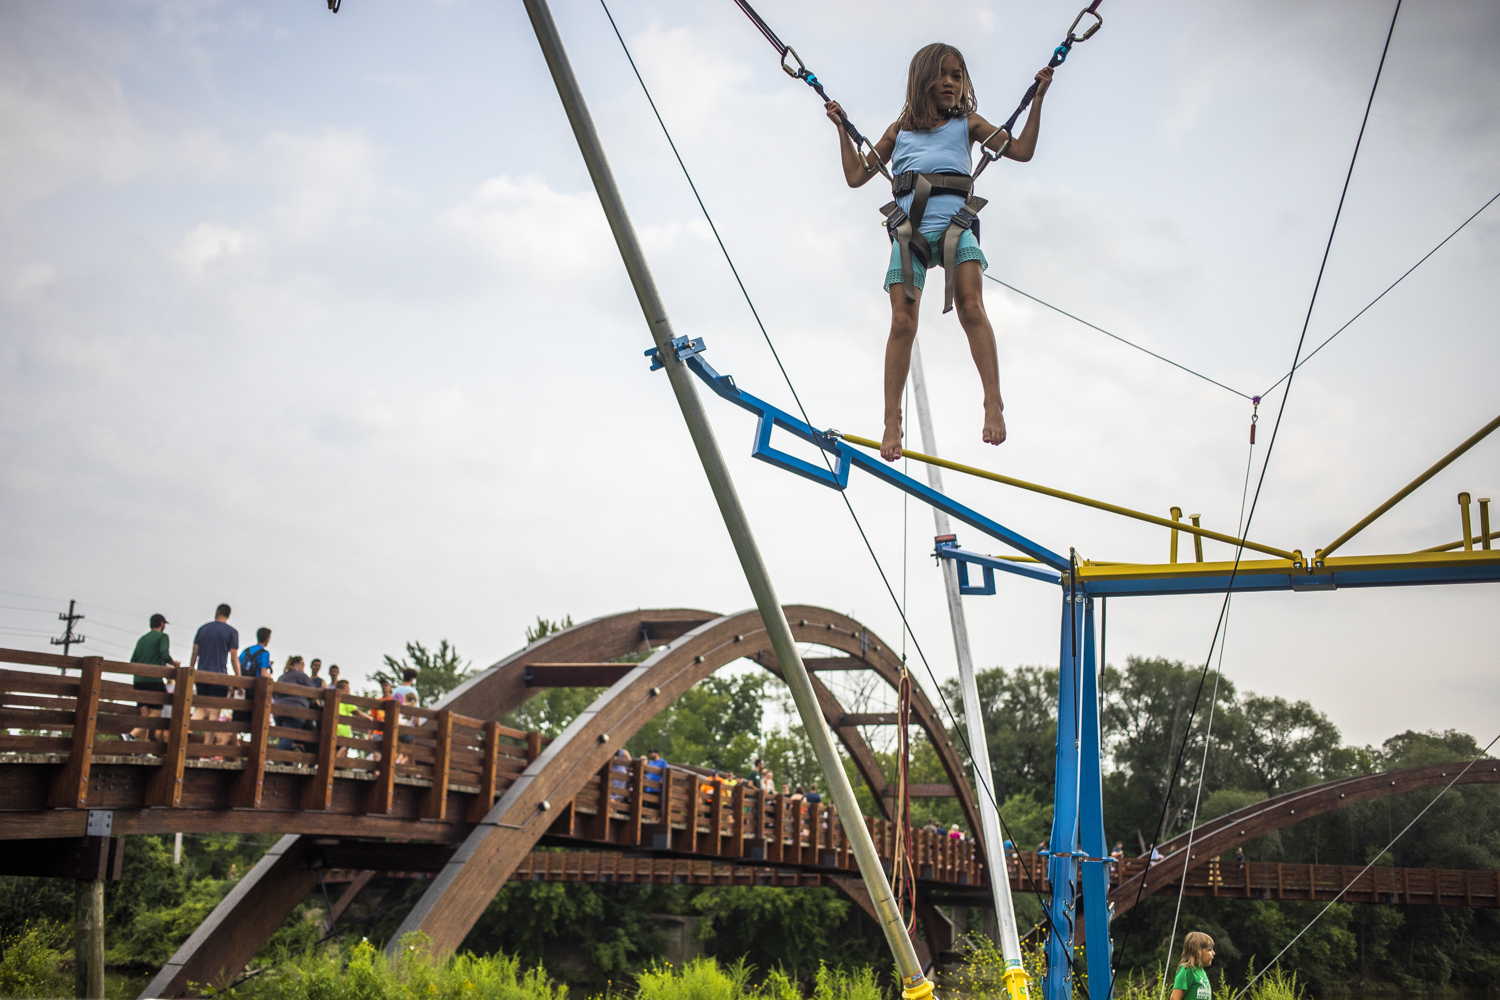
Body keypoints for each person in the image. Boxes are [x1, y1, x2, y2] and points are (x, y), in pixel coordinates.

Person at [826, 44, 1054, 462]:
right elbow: (856, 175)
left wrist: (1037, 99)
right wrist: (842, 130)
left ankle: (992, 402)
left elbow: (1021, 150)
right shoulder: (900, 132)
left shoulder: (968, 123)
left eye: (958, 75)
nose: (951, 82)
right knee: (900, 321)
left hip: (956, 227)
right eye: (943, 75)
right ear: (923, 80)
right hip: (910, 231)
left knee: (971, 307)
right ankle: (892, 419)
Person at [189, 604, 239, 748]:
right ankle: (206, 749)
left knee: (202, 708)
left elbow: (195, 653)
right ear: (228, 615)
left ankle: (187, 730)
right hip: (219, 676)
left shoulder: (203, 629)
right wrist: (238, 678)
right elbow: (234, 658)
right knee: (214, 713)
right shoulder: (231, 632)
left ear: (217, 612)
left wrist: (191, 671)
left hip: (201, 674)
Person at [129, 613, 179, 741]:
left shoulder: (142, 639)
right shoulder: (163, 637)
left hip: (139, 680)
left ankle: (142, 750)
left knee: (144, 715)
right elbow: (164, 654)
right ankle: (131, 735)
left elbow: (133, 660)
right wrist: (174, 664)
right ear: (162, 624)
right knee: (156, 712)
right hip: (153, 680)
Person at [272, 655, 317, 753]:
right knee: (289, 736)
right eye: (302, 664)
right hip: (294, 711)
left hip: (278, 711)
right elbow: (313, 692)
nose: (303, 667)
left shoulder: (282, 676)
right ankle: (276, 757)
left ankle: (286, 763)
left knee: (284, 737)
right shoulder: (301, 675)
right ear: (297, 664)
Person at [234, 628, 273, 731]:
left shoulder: (245, 651)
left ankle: (222, 743)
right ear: (268, 638)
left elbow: (238, 668)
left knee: (236, 723)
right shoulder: (264, 653)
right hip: (254, 692)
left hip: (241, 690)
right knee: (256, 725)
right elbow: (263, 674)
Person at [1168, 931, 1215, 1000]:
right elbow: (1174, 998)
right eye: (1209, 950)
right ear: (1197, 951)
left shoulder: (1201, 972)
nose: (1213, 953)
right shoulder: (1187, 969)